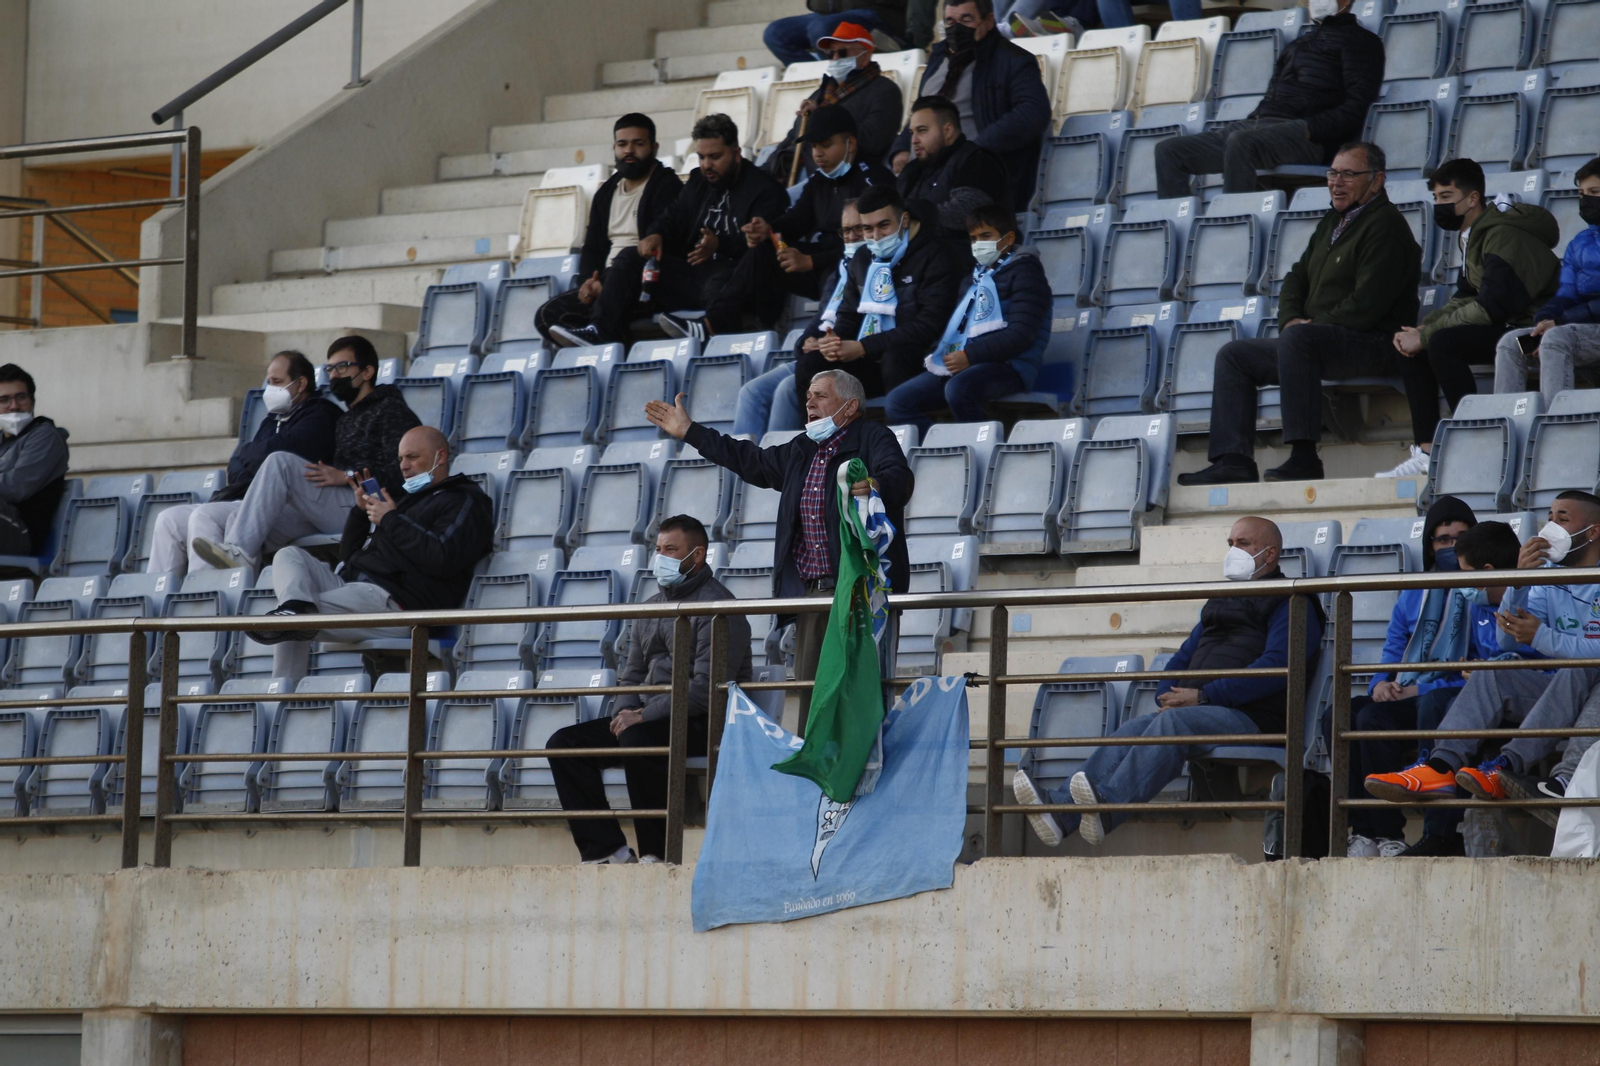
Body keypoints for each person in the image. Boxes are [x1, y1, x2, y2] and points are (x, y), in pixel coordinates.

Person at [1012, 517, 1323, 845]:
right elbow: (1183, 655)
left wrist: (1203, 697)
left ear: (1270, 554)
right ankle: (1061, 813)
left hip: (1257, 718)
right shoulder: (1222, 601)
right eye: (1230, 544)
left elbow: (1277, 669)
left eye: (1243, 544)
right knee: (1135, 728)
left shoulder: (1294, 601)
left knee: (1172, 723)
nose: (1233, 551)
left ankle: (1109, 808)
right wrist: (1167, 693)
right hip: (1205, 709)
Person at [645, 369, 913, 720]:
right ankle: (816, 773)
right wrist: (692, 432)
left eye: (820, 395)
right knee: (813, 700)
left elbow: (900, 478)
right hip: (812, 598)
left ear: (850, 406)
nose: (809, 403)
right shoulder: (802, 450)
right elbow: (749, 460)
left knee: (861, 703)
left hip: (862, 594)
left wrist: (875, 484)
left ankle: (869, 773)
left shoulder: (873, 436)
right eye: (807, 397)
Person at [1178, 143, 1421, 486]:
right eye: (1333, 173)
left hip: (1376, 343)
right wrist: (1291, 319)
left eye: (1349, 174)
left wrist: (1309, 329)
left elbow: (1367, 305)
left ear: (1376, 181)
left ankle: (1305, 457)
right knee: (1236, 356)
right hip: (1319, 340)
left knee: (1299, 340)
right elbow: (1296, 278)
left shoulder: (1387, 227)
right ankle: (1233, 461)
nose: (1336, 182)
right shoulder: (1333, 222)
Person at [1366, 492, 1600, 829]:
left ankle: (1506, 768)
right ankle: (1441, 767)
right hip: (1559, 691)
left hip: (1584, 686)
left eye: (1561, 519)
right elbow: (1508, 638)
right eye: (1549, 517)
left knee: (1578, 670)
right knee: (1492, 674)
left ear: (1592, 532)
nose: (1550, 527)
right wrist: (1518, 582)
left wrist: (1541, 636)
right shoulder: (1546, 574)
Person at [548, 515, 753, 864]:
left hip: (706, 719)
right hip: (651, 716)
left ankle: (655, 855)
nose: (661, 558)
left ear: (697, 555)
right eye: (658, 550)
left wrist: (641, 715)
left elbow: (705, 691)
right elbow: (631, 677)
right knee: (564, 744)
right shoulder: (651, 607)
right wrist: (625, 713)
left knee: (638, 738)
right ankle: (607, 851)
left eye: (671, 550)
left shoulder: (721, 609)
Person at [252, 426, 494, 678]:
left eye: (412, 457)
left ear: (440, 457)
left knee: (290, 620)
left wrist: (390, 519)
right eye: (400, 459)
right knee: (289, 556)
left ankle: (284, 695)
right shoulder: (407, 502)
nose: (404, 466)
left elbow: (442, 557)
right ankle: (295, 607)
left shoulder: (466, 500)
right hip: (356, 590)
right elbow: (349, 557)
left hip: (396, 603)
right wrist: (359, 512)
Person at [1382, 157, 1561, 478]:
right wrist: (1423, 328)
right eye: (1436, 198)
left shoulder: (1504, 236)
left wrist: (1426, 335)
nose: (1439, 206)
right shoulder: (1475, 236)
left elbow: (1490, 308)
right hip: (1506, 327)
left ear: (1473, 198)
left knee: (1442, 344)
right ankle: (1426, 452)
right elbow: (1466, 297)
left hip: (1534, 333)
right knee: (1414, 349)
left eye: (1447, 198)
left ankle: (1474, 438)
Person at [550, 114, 789, 349]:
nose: (706, 165)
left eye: (715, 157)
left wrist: (721, 244)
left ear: (736, 153)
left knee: (722, 279)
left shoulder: (765, 190)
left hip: (733, 278)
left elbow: (764, 250)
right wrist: (656, 234)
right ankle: (601, 331)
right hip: (692, 275)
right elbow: (673, 216)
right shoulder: (698, 181)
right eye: (701, 157)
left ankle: (707, 329)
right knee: (630, 258)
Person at [1334, 499, 1490, 858]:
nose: (1451, 547)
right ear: (1430, 545)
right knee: (1342, 715)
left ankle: (1389, 834)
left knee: (1372, 720)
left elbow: (1480, 664)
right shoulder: (1414, 590)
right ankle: (1364, 831)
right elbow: (1393, 650)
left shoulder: (1485, 590)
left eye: (1460, 538)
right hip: (1405, 689)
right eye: (1442, 539)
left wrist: (1420, 688)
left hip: (1449, 691)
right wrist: (1380, 684)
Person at [191, 335, 421, 572]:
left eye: (342, 367)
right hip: (336, 507)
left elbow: (406, 474)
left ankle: (241, 552)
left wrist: (347, 475)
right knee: (236, 521)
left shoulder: (391, 411)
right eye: (330, 368)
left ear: (367, 372)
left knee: (280, 461)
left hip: (367, 508)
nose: (334, 375)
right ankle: (229, 590)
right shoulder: (347, 418)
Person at [687, 105, 891, 343]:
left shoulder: (872, 182)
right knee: (765, 248)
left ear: (851, 144)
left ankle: (830, 340)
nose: (818, 154)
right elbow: (797, 220)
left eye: (825, 145)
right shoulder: (820, 180)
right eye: (813, 147)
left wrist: (810, 261)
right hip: (823, 259)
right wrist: (768, 229)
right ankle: (723, 326)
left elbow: (873, 245)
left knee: (837, 273)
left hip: (856, 265)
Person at [1154, 0, 1382, 199]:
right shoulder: (1297, 44)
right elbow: (1274, 93)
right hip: (1261, 125)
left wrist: (1311, 129)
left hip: (1307, 135)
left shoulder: (1363, 42)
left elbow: (1356, 107)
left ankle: (1234, 224)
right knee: (1169, 151)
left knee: (1241, 142)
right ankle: (1173, 228)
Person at [147, 351, 339, 579]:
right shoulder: (270, 422)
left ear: (301, 384)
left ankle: (211, 596)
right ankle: (159, 599)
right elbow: (236, 467)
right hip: (249, 500)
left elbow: (280, 453)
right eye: (269, 382)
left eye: (277, 382)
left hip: (294, 508)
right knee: (169, 520)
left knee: (206, 516)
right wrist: (254, 456)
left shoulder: (320, 415)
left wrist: (251, 454)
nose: (271, 389)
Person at [884, 202, 1050, 430]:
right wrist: (938, 354)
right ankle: (938, 453)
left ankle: (982, 452)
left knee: (958, 388)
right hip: (966, 361)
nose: (978, 244)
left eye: (985, 235)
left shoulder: (1027, 273)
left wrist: (970, 355)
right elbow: (955, 327)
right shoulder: (972, 278)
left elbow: (1022, 334)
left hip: (1010, 366)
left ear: (1008, 239)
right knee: (897, 401)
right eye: (973, 238)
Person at [793, 184, 966, 402]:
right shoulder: (862, 258)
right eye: (867, 229)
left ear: (903, 220)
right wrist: (834, 341)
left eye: (884, 225)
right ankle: (821, 435)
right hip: (868, 356)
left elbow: (929, 325)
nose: (876, 236)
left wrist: (864, 347)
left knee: (896, 358)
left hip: (920, 359)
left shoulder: (937, 256)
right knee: (812, 364)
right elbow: (848, 315)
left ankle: (900, 433)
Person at [887, 0, 1051, 209]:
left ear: (989, 21)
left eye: (966, 19)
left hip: (972, 174)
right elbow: (923, 112)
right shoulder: (938, 59)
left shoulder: (1013, 60)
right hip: (923, 173)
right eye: (950, 21)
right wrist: (901, 147)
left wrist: (975, 150)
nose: (957, 28)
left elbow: (1033, 113)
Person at [534, 114, 683, 343]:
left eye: (638, 144)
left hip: (645, 283)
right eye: (622, 144)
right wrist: (588, 282)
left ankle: (603, 336)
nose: (629, 151)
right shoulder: (605, 193)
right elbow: (593, 247)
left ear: (654, 147)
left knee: (628, 256)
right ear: (614, 148)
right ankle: (600, 351)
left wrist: (610, 283)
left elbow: (664, 239)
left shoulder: (667, 186)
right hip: (605, 282)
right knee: (548, 316)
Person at [732, 201, 868, 438]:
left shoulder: (875, 268)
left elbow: (863, 324)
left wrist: (827, 343)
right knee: (751, 392)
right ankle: (744, 470)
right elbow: (820, 317)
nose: (852, 236)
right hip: (816, 356)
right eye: (846, 231)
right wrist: (805, 341)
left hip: (845, 358)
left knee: (786, 389)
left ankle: (779, 467)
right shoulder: (839, 268)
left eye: (858, 229)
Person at [1493, 159, 1600, 407]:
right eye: (1582, 194)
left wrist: (1559, 323)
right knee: (1512, 343)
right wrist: (1543, 321)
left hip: (1580, 328)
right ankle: (1508, 428)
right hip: (1581, 328)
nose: (1586, 200)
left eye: (1594, 193)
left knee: (1556, 339)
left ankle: (1554, 428)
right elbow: (1566, 293)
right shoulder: (1579, 243)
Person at [764, 22, 905, 178]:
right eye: (830, 53)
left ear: (865, 57)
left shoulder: (884, 91)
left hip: (851, 176)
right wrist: (764, 173)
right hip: (808, 172)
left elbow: (873, 141)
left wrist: (823, 117)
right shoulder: (820, 94)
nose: (835, 58)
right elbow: (793, 138)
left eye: (843, 53)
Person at [896, 95, 1011, 244]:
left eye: (922, 130)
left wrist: (912, 212)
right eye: (912, 133)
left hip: (960, 257)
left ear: (948, 130)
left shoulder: (977, 160)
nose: (914, 140)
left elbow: (966, 212)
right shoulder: (913, 170)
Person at [0, 364, 68, 558]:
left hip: (19, 533)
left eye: (21, 397)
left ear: (32, 401)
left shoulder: (44, 436)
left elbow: (17, 487)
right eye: (4, 400)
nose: (14, 406)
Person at [763, 2, 908, 68]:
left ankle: (833, 84)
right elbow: (815, 4)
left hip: (876, 13)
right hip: (832, 15)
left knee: (820, 29)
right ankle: (818, 78)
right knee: (775, 33)